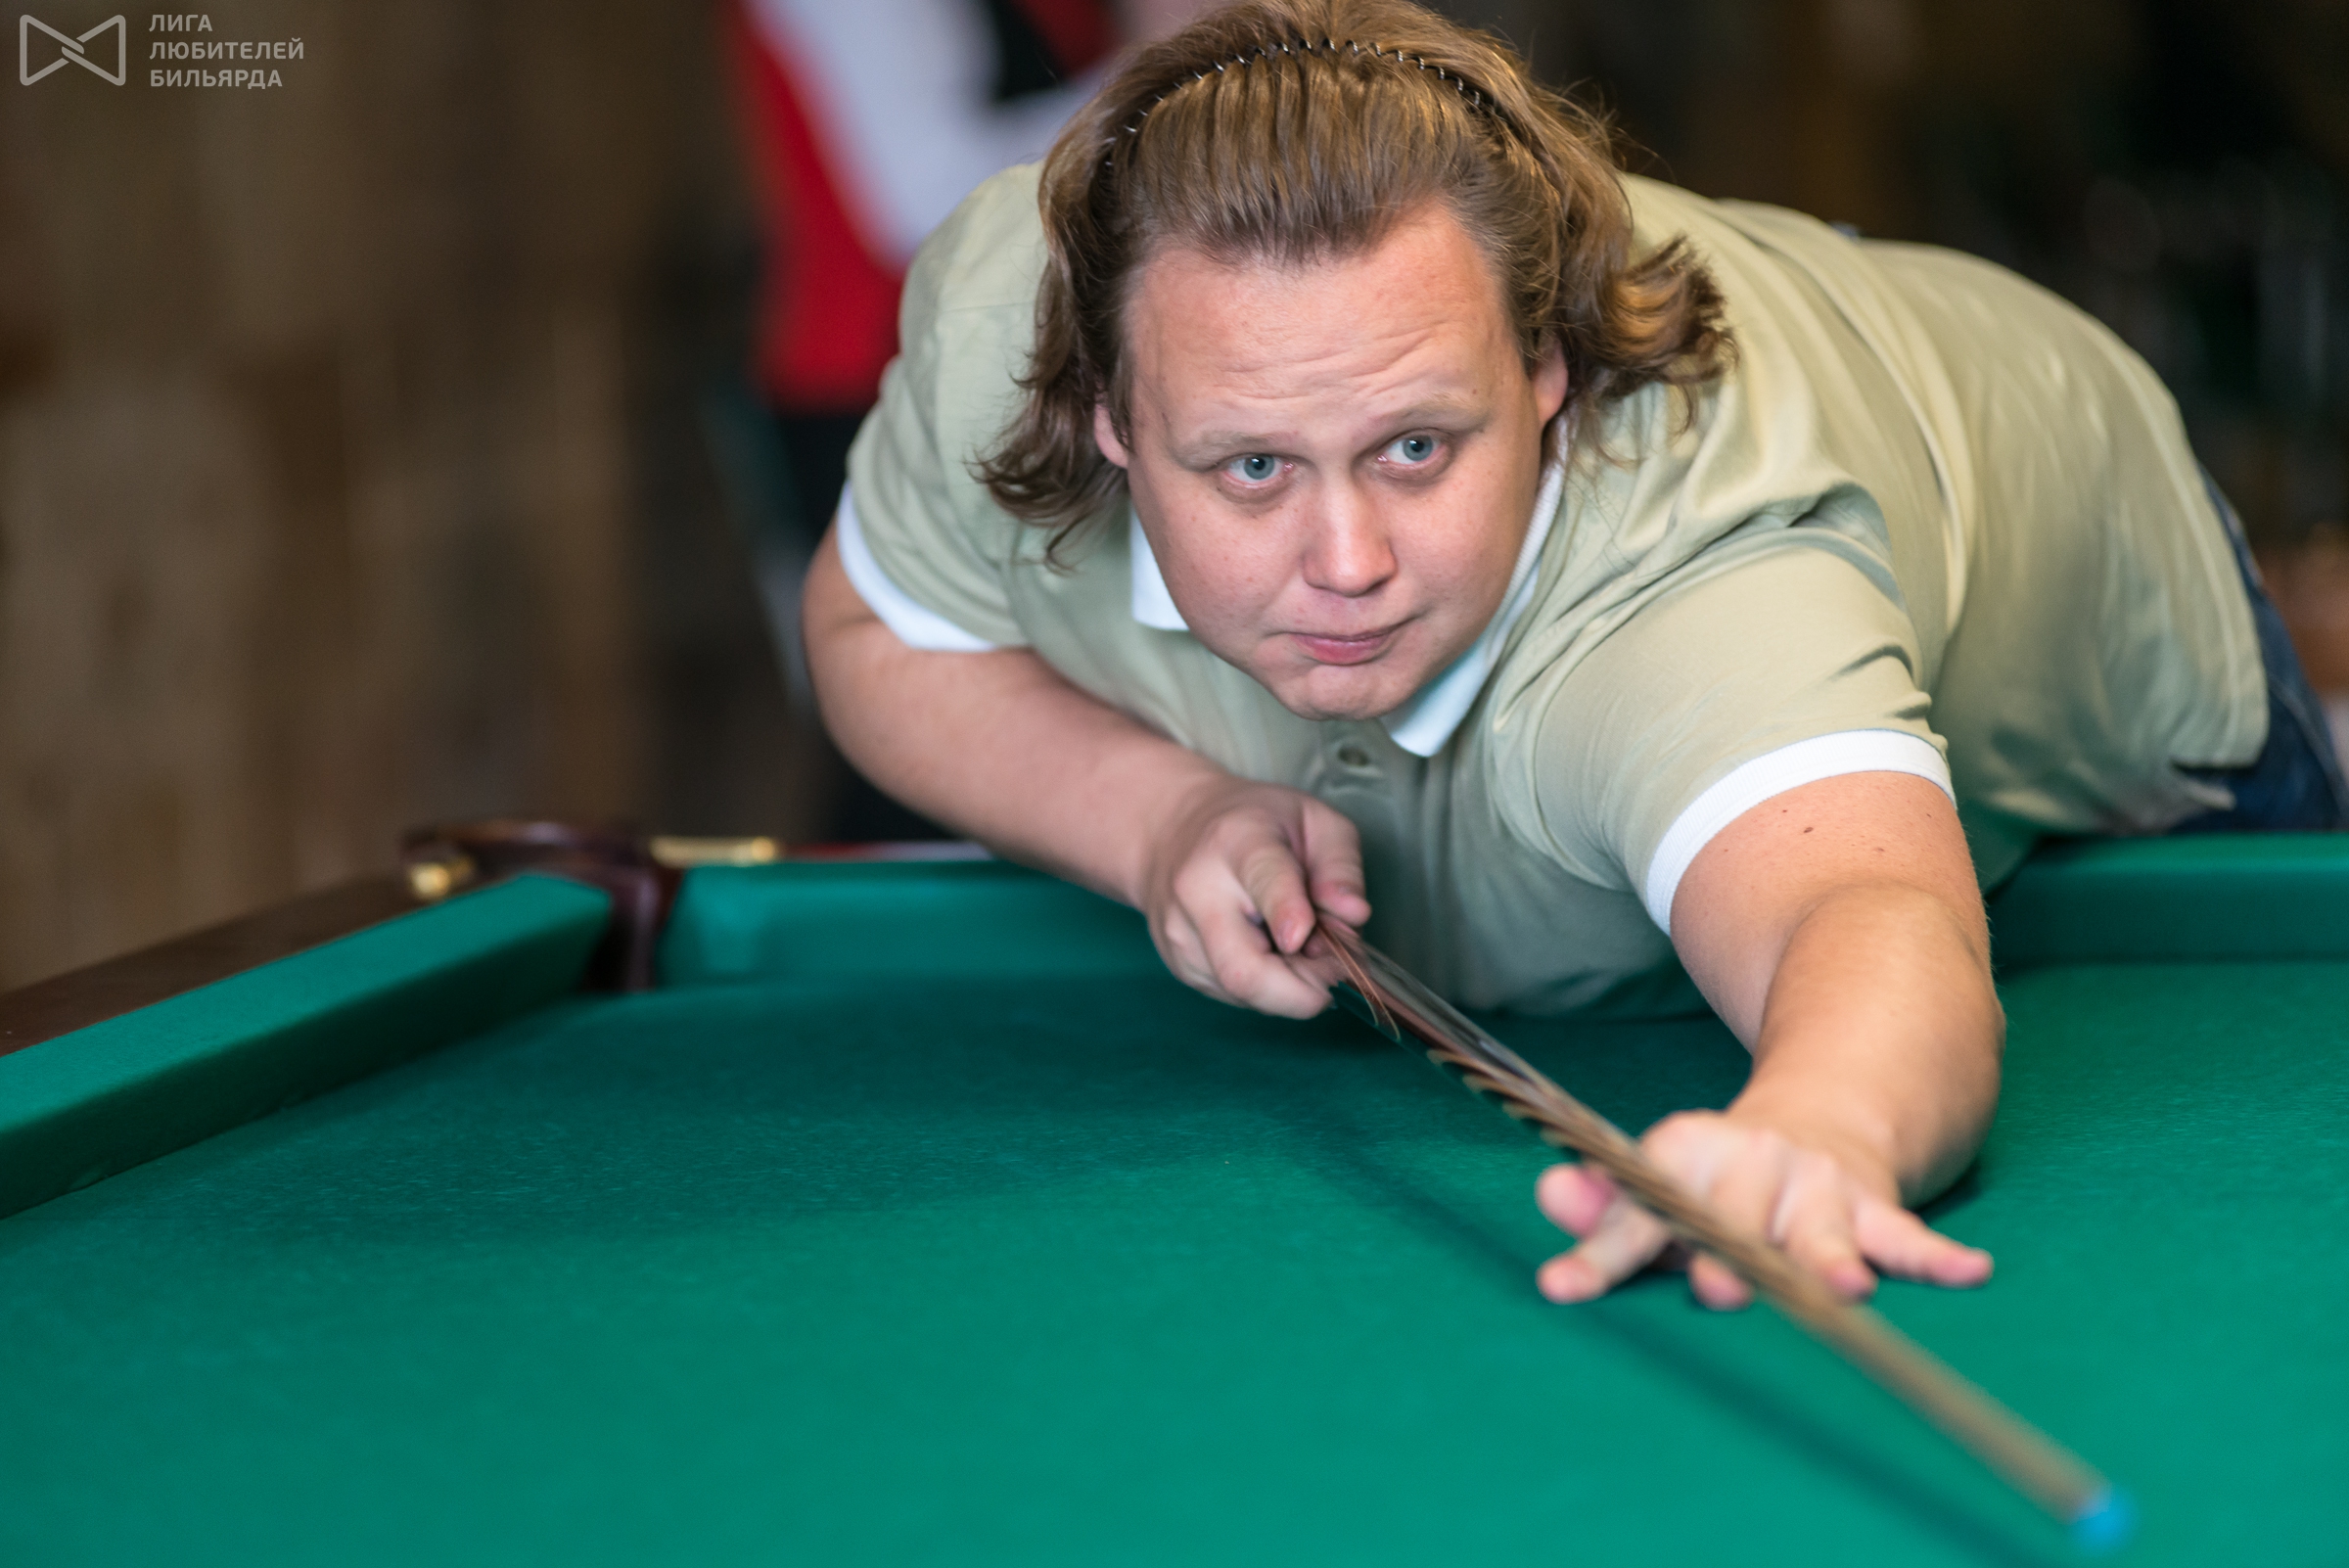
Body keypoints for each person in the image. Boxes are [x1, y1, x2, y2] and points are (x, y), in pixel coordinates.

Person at [801, 0, 2349, 1309]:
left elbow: (1862, 909)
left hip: (2085, 640)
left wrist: (1819, 1123)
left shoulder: (1696, 558)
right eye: (1253, 468)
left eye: (1417, 445)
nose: (1347, 560)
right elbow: (876, 629)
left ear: (1545, 371)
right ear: (1110, 418)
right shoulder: (1008, 317)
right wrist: (1160, 816)